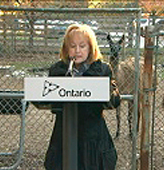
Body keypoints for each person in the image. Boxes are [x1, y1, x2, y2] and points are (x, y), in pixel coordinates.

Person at [44, 23, 121, 170]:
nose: (77, 51)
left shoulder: (102, 70)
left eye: (82, 46)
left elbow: (114, 100)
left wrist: (105, 90)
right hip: (63, 135)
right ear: (66, 49)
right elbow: (51, 103)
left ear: (91, 48)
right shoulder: (57, 70)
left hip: (93, 138)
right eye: (72, 46)